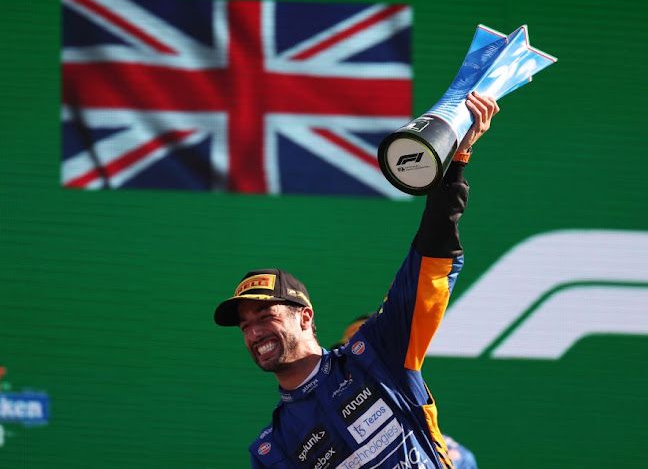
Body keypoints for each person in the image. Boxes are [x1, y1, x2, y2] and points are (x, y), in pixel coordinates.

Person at [214, 91, 499, 469]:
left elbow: (428, 262)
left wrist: (457, 162)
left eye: (266, 317)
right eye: (246, 325)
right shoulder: (274, 449)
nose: (254, 333)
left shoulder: (377, 354)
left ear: (305, 317)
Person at [331, 315, 478, 469]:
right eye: (346, 364)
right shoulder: (330, 445)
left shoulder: (454, 456)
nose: (352, 374)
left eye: (363, 364)